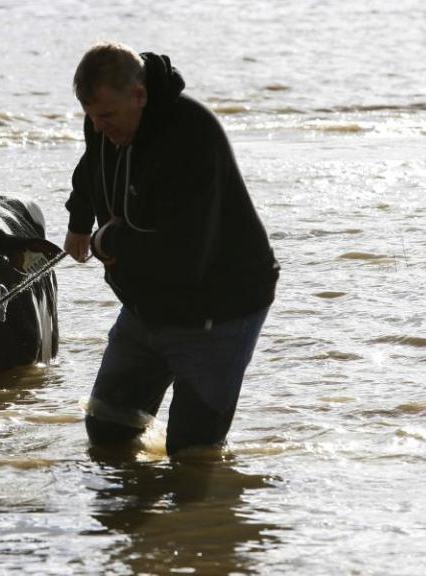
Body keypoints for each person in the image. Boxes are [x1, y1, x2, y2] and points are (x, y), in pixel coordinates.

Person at [64, 43, 280, 456]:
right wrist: (79, 222)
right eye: (90, 117)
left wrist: (108, 241)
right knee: (107, 428)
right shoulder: (103, 124)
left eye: (106, 115)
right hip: (146, 305)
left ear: (139, 95)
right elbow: (90, 165)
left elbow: (185, 254)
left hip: (219, 310)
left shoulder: (192, 134)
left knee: (193, 453)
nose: (98, 126)